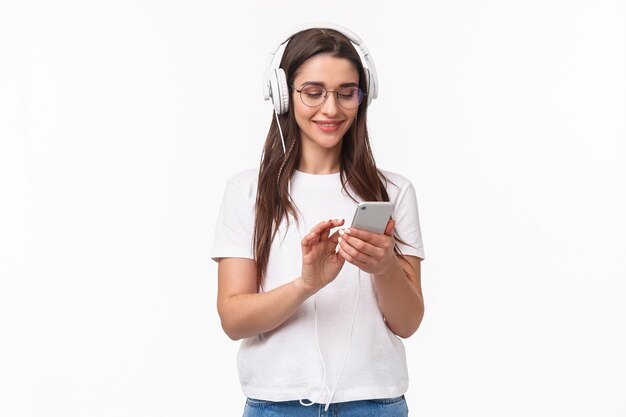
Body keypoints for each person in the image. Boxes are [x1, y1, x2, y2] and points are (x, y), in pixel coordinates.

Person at [211, 22, 425, 417]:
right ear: (282, 96)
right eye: (313, 92)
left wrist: (385, 267)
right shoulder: (247, 192)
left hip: (374, 403)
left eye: (347, 93)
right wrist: (306, 284)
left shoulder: (394, 192)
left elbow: (408, 322)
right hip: (277, 405)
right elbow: (233, 320)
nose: (331, 108)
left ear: (364, 96)